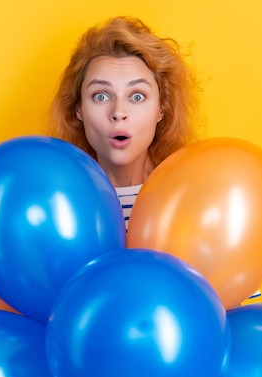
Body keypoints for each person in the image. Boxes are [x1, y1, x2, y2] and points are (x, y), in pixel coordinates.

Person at [49, 16, 201, 231]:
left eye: (137, 96)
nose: (119, 112)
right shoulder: (56, 202)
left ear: (162, 109)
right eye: (101, 96)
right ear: (78, 109)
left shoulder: (191, 198)